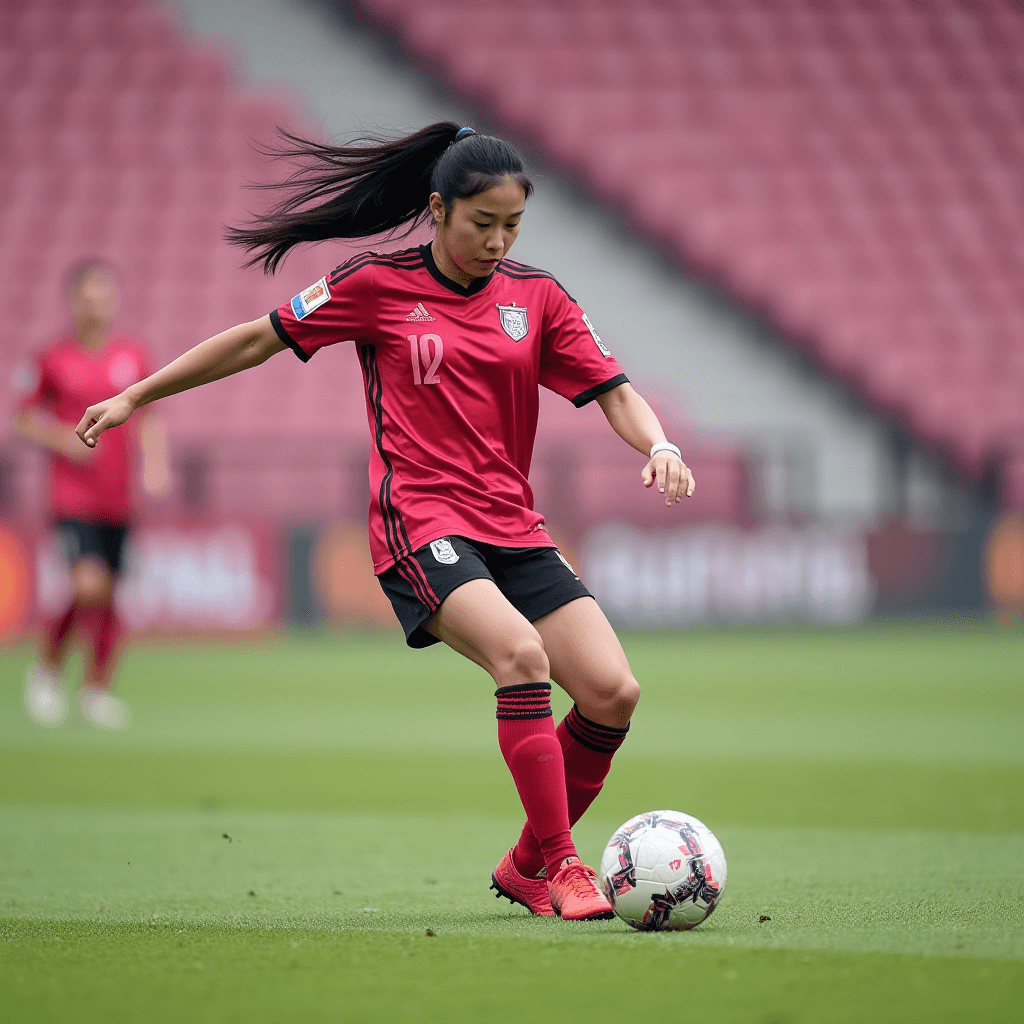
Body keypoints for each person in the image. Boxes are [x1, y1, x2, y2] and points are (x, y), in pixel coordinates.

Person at [75, 124, 695, 919]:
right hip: (421, 518)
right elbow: (253, 343)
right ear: (438, 209)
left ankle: (522, 864)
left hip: (513, 525)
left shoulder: (537, 298)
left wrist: (660, 443)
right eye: (482, 225)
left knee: (613, 693)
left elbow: (613, 389)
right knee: (521, 655)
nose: (498, 242)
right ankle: (566, 868)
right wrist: (136, 395)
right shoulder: (374, 283)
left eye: (512, 226)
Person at [13, 260, 168, 729]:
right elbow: (23, 420)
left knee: (112, 594)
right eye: (87, 293)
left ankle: (97, 689)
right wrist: (63, 440)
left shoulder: (133, 354)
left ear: (115, 298)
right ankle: (47, 672)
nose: (95, 301)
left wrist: (156, 465)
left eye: (104, 292)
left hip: (120, 498)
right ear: (73, 299)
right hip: (72, 497)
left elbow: (152, 415)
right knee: (87, 586)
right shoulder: (50, 358)